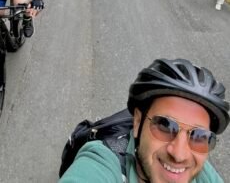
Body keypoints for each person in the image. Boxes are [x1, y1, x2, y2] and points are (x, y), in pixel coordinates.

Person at [59, 58, 230, 183]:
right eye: (164, 125)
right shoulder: (104, 161)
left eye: (198, 135)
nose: (179, 155)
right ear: (138, 122)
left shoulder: (203, 174)